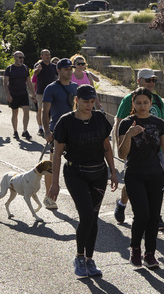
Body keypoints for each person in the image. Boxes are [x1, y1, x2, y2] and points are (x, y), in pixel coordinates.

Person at [47, 84, 118, 279]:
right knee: (86, 215)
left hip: (98, 173)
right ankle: (79, 257)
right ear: (76, 100)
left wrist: (113, 171)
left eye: (92, 101)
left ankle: (89, 259)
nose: (89, 104)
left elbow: (106, 147)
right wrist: (54, 182)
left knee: (93, 218)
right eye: (86, 101)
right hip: (75, 173)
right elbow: (57, 153)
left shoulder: (99, 119)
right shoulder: (66, 122)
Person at [117, 87, 164, 269]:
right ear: (133, 103)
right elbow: (122, 154)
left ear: (151, 103)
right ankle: (135, 249)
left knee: (154, 216)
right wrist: (130, 136)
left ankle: (150, 253)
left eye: (145, 102)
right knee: (142, 214)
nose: (142, 106)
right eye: (138, 103)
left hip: (155, 175)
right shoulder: (126, 123)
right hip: (134, 175)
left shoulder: (158, 123)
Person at [113, 68, 164, 224]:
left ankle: (156, 214)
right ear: (138, 81)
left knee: (155, 184)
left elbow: (161, 122)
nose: (151, 83)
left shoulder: (157, 99)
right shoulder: (130, 98)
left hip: (155, 149)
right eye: (148, 80)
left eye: (153, 80)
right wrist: (121, 145)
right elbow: (119, 122)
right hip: (134, 148)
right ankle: (122, 203)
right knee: (132, 183)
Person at [42, 58, 79, 209]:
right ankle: (48, 197)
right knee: (52, 164)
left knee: (77, 163)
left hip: (75, 130)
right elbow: (45, 111)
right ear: (58, 70)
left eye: (71, 69)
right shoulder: (51, 88)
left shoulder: (76, 87)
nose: (69, 71)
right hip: (57, 129)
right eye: (66, 69)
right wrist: (46, 131)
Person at [3, 51, 32, 140]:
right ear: (15, 58)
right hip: (13, 93)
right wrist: (8, 95)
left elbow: (28, 81)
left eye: (23, 58)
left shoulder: (25, 68)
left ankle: (25, 130)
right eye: (20, 57)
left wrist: (33, 93)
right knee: (15, 112)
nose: (22, 59)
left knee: (26, 111)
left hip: (23, 93)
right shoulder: (10, 69)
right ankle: (15, 131)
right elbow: (5, 83)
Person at [31, 49, 57, 137]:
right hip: (41, 91)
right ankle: (40, 127)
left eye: (49, 54)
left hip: (52, 91)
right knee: (41, 110)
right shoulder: (39, 65)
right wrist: (38, 70)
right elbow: (35, 73)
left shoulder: (53, 66)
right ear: (41, 56)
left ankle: (49, 127)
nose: (48, 56)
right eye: (46, 55)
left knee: (50, 110)